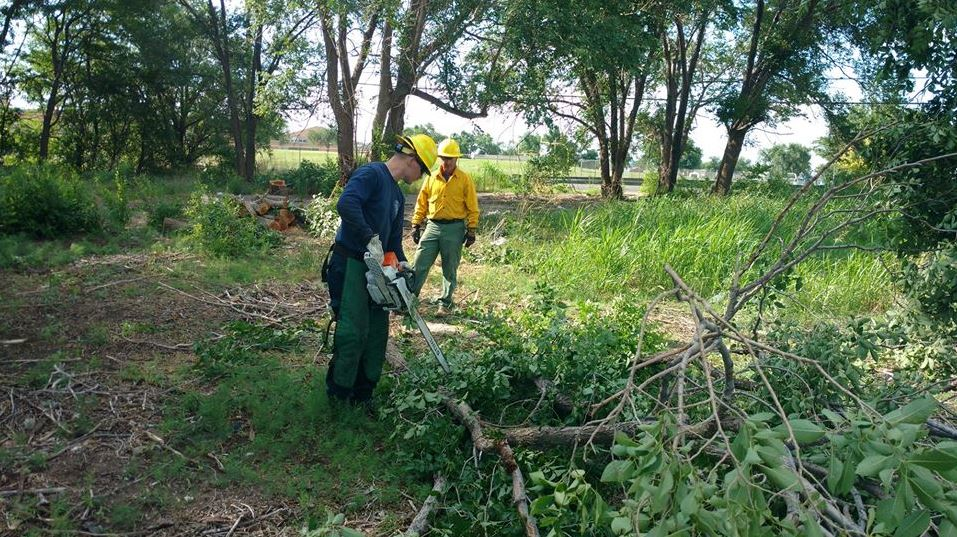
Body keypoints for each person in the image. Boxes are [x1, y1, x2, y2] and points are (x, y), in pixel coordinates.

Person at [324, 133, 437, 406]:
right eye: (422, 170)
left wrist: (402, 262)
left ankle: (363, 395)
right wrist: (368, 237)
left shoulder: (397, 194)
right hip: (352, 262)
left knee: (376, 333)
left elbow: (394, 241)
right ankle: (339, 395)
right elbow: (346, 204)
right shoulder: (371, 174)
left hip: (378, 272)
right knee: (352, 331)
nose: (421, 177)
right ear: (412, 160)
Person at [409, 138, 480, 311]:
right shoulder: (432, 177)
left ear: (457, 159)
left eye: (450, 158)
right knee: (420, 263)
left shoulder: (464, 179)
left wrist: (471, 229)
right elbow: (422, 202)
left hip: (454, 228)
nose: (446, 162)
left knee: (450, 266)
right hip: (432, 226)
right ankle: (410, 299)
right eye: (443, 158)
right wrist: (416, 224)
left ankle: (445, 302)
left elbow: (472, 206)